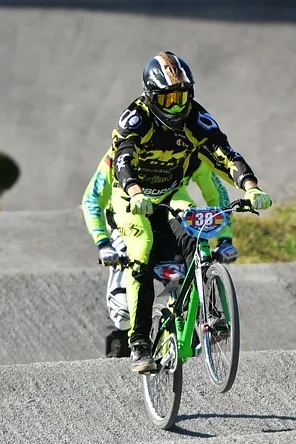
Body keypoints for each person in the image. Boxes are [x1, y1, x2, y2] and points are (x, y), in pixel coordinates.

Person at [89, 50, 272, 373]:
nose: (177, 105)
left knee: (198, 231)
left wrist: (250, 186)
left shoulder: (194, 117)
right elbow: (123, 160)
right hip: (132, 198)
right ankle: (139, 342)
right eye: (169, 98)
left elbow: (223, 153)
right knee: (142, 250)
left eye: (183, 96)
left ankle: (198, 311)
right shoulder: (136, 117)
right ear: (152, 96)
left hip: (173, 193)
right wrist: (135, 193)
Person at [82, 150, 239, 358]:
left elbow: (216, 192)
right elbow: (93, 198)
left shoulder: (190, 147)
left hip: (168, 222)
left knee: (184, 277)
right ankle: (127, 347)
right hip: (126, 225)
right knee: (123, 314)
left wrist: (224, 239)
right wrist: (103, 243)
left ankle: (186, 326)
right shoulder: (121, 151)